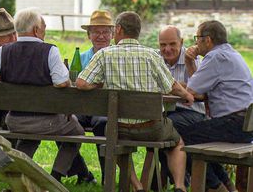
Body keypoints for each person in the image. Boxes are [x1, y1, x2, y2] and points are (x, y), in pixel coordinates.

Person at [76, 11, 194, 192]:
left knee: (113, 141)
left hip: (118, 128)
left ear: (119, 30)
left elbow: (81, 83)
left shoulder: (104, 55)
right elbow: (172, 86)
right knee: (177, 143)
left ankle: (138, 186)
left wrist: (99, 83)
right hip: (152, 129)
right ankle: (180, 186)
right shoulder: (152, 56)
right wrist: (187, 95)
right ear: (138, 31)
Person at [0, 8, 94, 184]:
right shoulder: (50, 51)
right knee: (77, 132)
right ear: (36, 30)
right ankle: (54, 177)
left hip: (15, 121)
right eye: (44, 27)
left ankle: (19, 176)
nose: (45, 30)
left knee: (29, 135)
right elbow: (61, 82)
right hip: (46, 122)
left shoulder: (2, 52)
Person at [183, 20, 253, 192]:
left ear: (207, 40)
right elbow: (199, 91)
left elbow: (191, 89)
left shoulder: (215, 56)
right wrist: (192, 63)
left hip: (234, 124)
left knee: (182, 137)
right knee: (199, 137)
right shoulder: (232, 53)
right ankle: (227, 186)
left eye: (197, 38)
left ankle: (215, 187)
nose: (195, 43)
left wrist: (187, 61)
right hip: (246, 124)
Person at [154, 26, 206, 187]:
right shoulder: (155, 58)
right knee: (161, 125)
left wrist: (177, 87)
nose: (167, 49)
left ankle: (177, 180)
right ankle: (177, 181)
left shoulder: (192, 59)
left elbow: (197, 90)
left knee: (167, 127)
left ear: (181, 42)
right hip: (164, 112)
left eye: (172, 44)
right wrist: (181, 87)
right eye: (163, 45)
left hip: (192, 112)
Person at [77, 10, 114, 184]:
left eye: (105, 32)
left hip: (107, 111)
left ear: (112, 35)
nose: (101, 36)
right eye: (96, 32)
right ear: (89, 35)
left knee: (102, 125)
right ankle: (81, 172)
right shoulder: (81, 57)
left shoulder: (117, 57)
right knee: (63, 123)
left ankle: (107, 178)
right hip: (83, 109)